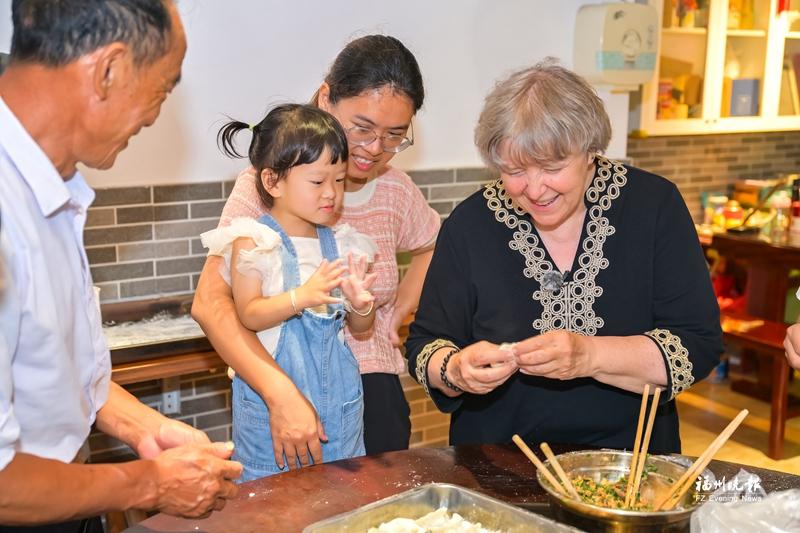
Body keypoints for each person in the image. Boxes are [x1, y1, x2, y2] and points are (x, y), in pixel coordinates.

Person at [0, 1, 241, 529]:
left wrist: (143, 428)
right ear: (108, 70)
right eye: (163, 88)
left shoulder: (53, 183)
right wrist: (151, 483)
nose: (155, 115)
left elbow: (51, 367)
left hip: (65, 496)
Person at [406, 60, 723, 454]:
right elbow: (425, 344)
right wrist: (454, 370)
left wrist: (590, 356)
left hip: (629, 463)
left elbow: (697, 345)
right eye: (515, 170)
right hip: (497, 465)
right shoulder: (471, 224)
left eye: (552, 167)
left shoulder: (653, 207)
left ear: (591, 150)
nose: (535, 189)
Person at [192, 35, 439, 457]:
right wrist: (280, 394)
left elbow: (432, 244)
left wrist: (398, 310)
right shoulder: (267, 188)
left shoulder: (396, 189)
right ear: (327, 99)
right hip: (282, 389)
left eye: (394, 135)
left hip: (372, 393)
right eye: (362, 128)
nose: (374, 149)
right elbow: (211, 305)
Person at [200, 104, 379, 481]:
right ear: (272, 181)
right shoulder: (255, 241)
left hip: (340, 415)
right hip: (272, 421)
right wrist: (302, 296)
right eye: (317, 182)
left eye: (340, 180)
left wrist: (362, 306)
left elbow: (360, 329)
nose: (332, 193)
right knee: (274, 507)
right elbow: (249, 314)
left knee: (341, 501)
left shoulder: (342, 243)